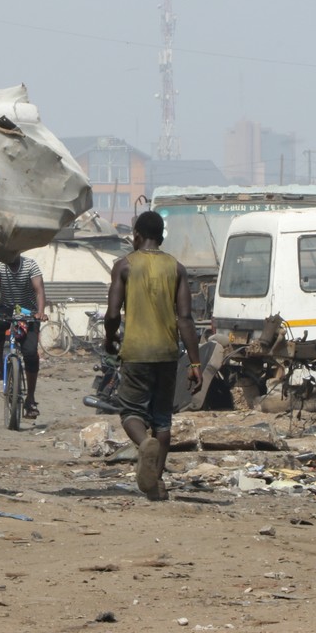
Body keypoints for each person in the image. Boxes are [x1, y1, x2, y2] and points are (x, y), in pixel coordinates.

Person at [104, 210, 202, 501]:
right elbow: (185, 319)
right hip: (167, 353)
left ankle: (143, 442)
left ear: (136, 236)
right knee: (162, 420)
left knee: (131, 412)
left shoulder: (124, 266)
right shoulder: (177, 267)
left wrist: (110, 339)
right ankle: (155, 484)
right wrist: (195, 363)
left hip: (136, 352)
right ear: (161, 237)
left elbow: (112, 314)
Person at [0, 254, 47, 419]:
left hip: (28, 311)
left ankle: (31, 399)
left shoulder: (30, 264)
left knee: (30, 353)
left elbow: (39, 290)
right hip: (6, 308)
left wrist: (40, 312)